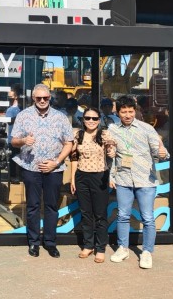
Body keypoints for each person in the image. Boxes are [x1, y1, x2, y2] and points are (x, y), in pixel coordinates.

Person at [10, 83, 74, 258]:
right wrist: (23, 141)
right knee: (33, 206)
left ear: (50, 98)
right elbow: (13, 140)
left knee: (52, 206)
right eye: (39, 98)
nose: (42, 101)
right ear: (33, 98)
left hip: (54, 168)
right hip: (31, 167)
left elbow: (69, 142)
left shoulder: (60, 117)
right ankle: (34, 242)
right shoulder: (23, 116)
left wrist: (57, 162)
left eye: (46, 98)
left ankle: (50, 242)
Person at [108, 95, 169, 269]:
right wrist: (111, 175)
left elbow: (158, 150)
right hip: (123, 178)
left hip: (145, 179)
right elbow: (112, 156)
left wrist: (162, 153)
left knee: (148, 217)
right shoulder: (112, 129)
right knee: (122, 215)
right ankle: (123, 248)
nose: (127, 115)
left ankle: (147, 252)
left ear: (135, 111)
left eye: (130, 111)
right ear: (118, 112)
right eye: (123, 112)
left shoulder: (146, 128)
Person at [69, 107, 116, 263]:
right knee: (86, 213)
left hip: (99, 176)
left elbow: (111, 151)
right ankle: (88, 245)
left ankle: (100, 247)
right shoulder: (78, 135)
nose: (91, 121)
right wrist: (73, 178)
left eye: (94, 118)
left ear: (99, 120)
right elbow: (74, 157)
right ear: (83, 120)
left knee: (100, 214)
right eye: (87, 118)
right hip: (82, 176)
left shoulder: (104, 135)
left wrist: (110, 150)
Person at [6, 86, 22, 183]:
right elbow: (9, 122)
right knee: (13, 159)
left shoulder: (20, 108)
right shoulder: (10, 110)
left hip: (21, 138)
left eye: (11, 95)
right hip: (12, 138)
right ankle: (13, 176)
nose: (9, 97)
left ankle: (18, 176)